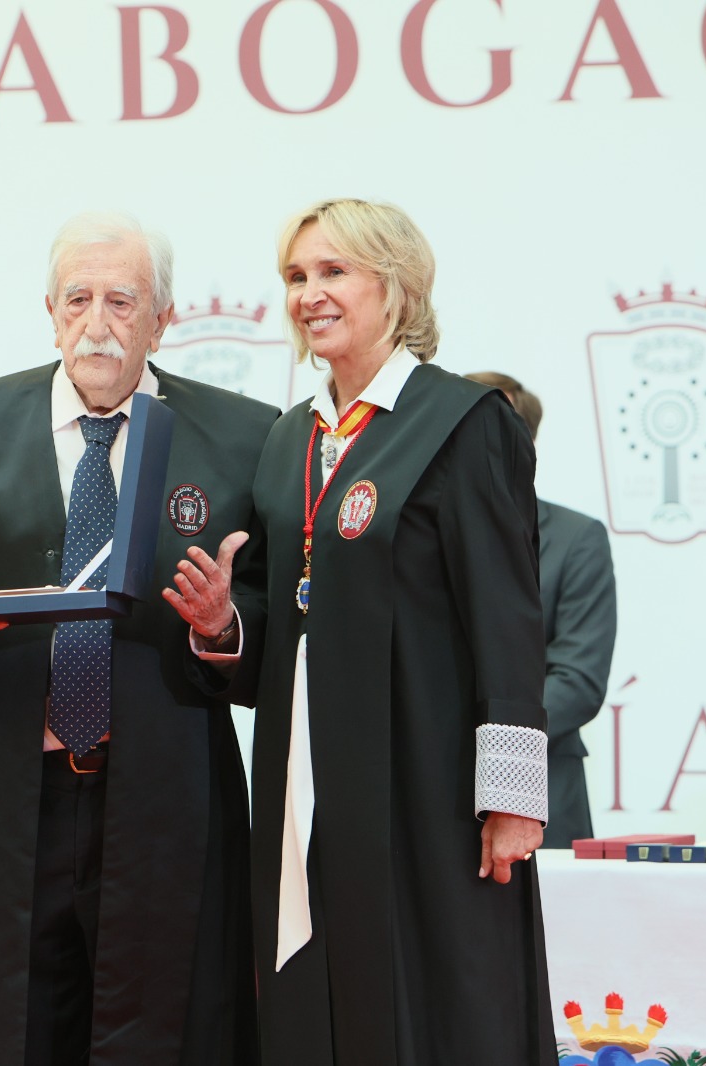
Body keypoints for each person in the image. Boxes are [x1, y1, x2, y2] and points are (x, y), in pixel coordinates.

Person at [0, 211, 275, 1066]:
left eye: (122, 301)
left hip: (169, 802)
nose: (97, 323)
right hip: (7, 804)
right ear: (49, 312)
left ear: (163, 319)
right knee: (8, 1035)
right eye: (78, 299)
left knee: (170, 1036)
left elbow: (280, 627)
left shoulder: (241, 434)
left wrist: (222, 626)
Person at [238, 199, 557, 1063]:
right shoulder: (288, 439)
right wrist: (221, 624)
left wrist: (512, 797)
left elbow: (507, 618)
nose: (309, 294)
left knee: (438, 997)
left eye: (333, 271)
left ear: (397, 285)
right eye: (297, 276)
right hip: (307, 776)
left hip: (429, 783)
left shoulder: (462, 422)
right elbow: (279, 611)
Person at [465, 372, 618, 848]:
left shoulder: (576, 539)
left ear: (525, 444)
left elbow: (578, 680)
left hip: (539, 795)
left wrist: (478, 746)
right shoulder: (412, 538)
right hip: (425, 791)